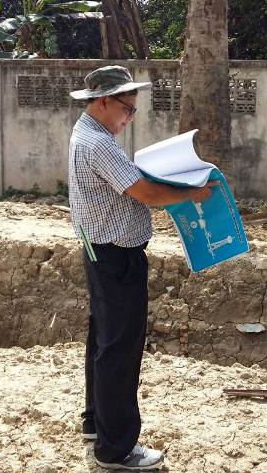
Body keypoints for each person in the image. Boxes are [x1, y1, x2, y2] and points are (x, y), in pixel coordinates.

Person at [68, 65, 214, 471]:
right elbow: (146, 192)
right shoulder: (99, 143)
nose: (130, 117)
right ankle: (116, 448)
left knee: (104, 339)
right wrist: (192, 193)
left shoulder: (87, 133)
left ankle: (96, 423)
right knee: (120, 348)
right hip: (116, 255)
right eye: (127, 109)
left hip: (101, 250)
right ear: (104, 102)